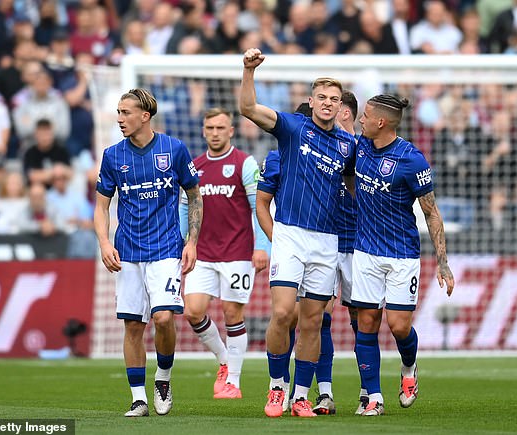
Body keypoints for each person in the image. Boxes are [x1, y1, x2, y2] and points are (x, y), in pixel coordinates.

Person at [240, 47, 356, 418]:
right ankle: (277, 387)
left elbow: (356, 186)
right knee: (284, 313)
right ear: (311, 100)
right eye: (321, 97)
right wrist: (248, 72)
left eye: (334, 100)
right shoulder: (292, 127)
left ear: (341, 108)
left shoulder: (347, 145)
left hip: (327, 241)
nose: (327, 103)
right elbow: (248, 108)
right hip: (290, 233)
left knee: (313, 321)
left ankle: (301, 395)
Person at [94, 88, 202, 417]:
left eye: (125, 112)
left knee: (164, 318)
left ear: (145, 116)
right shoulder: (113, 156)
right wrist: (104, 242)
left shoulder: (174, 149)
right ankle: (138, 398)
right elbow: (101, 207)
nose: (119, 118)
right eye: (118, 111)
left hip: (166, 248)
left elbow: (195, 196)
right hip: (127, 251)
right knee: (133, 327)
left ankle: (164, 377)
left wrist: (192, 242)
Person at [349, 94, 454, 416]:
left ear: (381, 122)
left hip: (402, 254)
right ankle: (374, 397)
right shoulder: (359, 147)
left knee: (398, 326)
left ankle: (409, 368)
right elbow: (349, 177)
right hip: (365, 251)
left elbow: (432, 212)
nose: (360, 120)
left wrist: (443, 263)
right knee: (366, 323)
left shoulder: (412, 159)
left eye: (365, 116)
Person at [178, 107, 269, 400]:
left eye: (221, 128)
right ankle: (223, 359)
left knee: (232, 314)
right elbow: (184, 207)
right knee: (192, 311)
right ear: (203, 131)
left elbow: (259, 207)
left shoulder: (245, 163)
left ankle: (233, 381)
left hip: (238, 252)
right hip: (202, 252)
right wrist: (187, 241)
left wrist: (262, 247)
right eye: (210, 128)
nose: (215, 133)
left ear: (231, 131)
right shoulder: (195, 166)